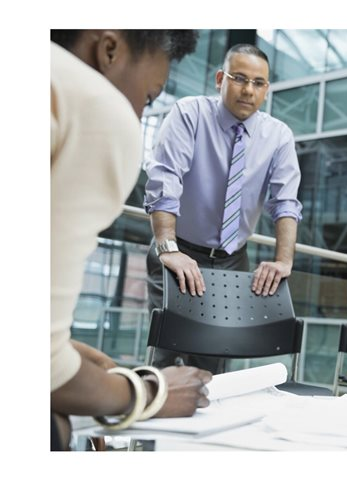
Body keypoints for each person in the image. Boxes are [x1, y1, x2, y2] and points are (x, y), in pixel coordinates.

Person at [51, 30, 213, 451]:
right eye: (148, 98)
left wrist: (62, 348)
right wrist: (148, 392)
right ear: (109, 50)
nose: (138, 117)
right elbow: (45, 372)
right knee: (54, 424)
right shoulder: (93, 105)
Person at [143, 43, 302, 372]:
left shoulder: (278, 137)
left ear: (266, 89)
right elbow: (165, 180)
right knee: (165, 357)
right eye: (239, 78)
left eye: (258, 83)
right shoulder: (190, 114)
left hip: (232, 261)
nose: (248, 90)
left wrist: (283, 260)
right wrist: (168, 248)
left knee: (213, 364)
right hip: (177, 252)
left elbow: (286, 202)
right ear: (220, 79)